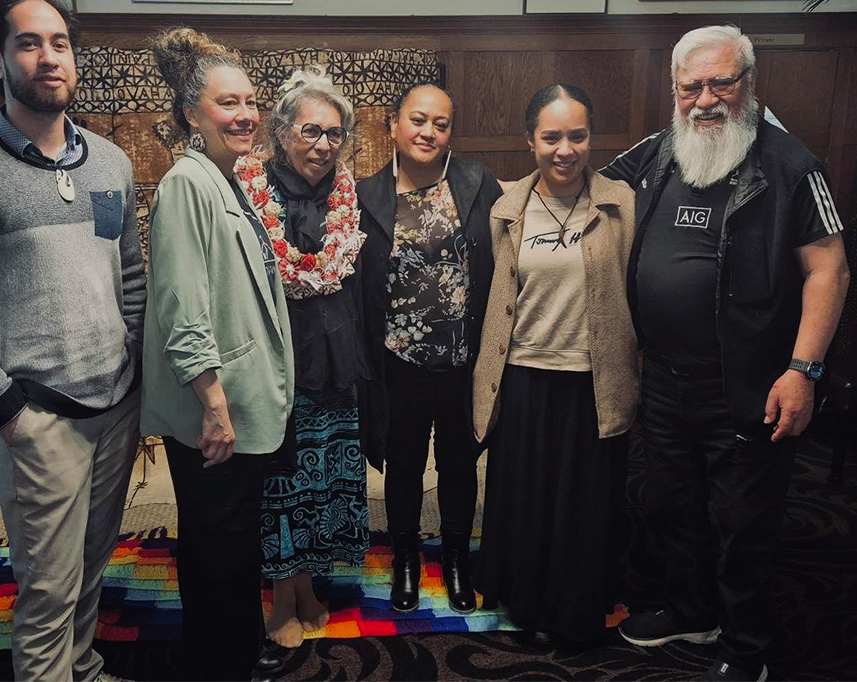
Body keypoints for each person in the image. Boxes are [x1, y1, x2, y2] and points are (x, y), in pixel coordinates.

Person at [601, 25, 850, 682]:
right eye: (692, 86)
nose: (706, 99)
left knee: (745, 522)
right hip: (663, 379)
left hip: (750, 382)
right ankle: (689, 609)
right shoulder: (657, 152)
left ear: (749, 84)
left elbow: (831, 271)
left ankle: (747, 648)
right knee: (668, 503)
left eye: (721, 82)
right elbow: (586, 188)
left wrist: (803, 371)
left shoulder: (793, 165)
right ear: (675, 90)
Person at [0, 0, 144, 680]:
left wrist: (131, 354)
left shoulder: (109, 163)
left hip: (116, 407)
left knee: (91, 564)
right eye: (28, 43)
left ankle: (83, 666)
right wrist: (8, 412)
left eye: (60, 43)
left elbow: (126, 271)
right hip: (36, 418)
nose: (49, 57)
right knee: (46, 589)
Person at [141, 28, 294, 681]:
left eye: (250, 101)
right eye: (227, 104)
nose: (245, 115)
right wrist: (213, 405)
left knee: (232, 537)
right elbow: (183, 306)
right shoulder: (187, 183)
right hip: (215, 405)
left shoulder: (229, 179)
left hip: (244, 400)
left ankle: (239, 641)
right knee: (214, 542)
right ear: (190, 114)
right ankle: (219, 660)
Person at [472, 84, 639, 647]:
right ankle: (526, 601)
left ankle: (573, 608)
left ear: (591, 138)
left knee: (583, 503)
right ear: (530, 140)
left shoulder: (622, 204)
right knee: (526, 497)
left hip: (594, 381)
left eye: (577, 135)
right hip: (521, 375)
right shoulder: (506, 207)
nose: (564, 149)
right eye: (551, 137)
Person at [234, 66, 369, 649]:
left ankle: (313, 582)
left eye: (334, 133)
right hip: (275, 359)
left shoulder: (347, 190)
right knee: (280, 481)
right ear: (283, 131)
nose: (323, 144)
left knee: (328, 474)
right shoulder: (245, 189)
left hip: (336, 356)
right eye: (311, 131)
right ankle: (283, 591)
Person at [357, 83, 502, 614]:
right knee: (404, 464)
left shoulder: (475, 182)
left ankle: (459, 558)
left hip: (463, 359)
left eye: (441, 124)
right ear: (393, 123)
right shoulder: (366, 194)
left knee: (461, 463)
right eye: (419, 120)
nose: (429, 133)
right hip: (398, 362)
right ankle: (405, 560)